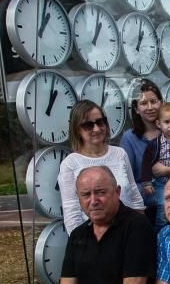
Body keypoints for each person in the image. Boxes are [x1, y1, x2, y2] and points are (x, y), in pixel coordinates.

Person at [58, 100, 144, 234]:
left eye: (100, 122)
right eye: (88, 125)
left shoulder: (120, 154)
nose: (96, 129)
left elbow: (134, 194)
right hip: (94, 239)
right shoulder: (70, 164)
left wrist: (140, 229)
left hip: (128, 232)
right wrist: (83, 245)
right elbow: (72, 213)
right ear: (77, 130)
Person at [121, 80, 164, 208]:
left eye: (154, 101)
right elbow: (127, 181)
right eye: (144, 103)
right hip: (145, 208)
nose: (150, 107)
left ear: (161, 103)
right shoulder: (129, 138)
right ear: (136, 109)